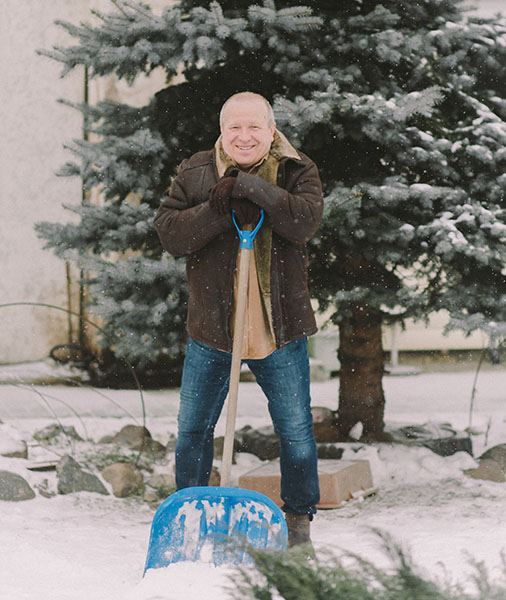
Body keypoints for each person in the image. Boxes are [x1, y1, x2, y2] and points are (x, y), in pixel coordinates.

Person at [154, 91, 323, 548]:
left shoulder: (296, 169)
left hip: (277, 327)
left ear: (271, 131)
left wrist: (250, 188)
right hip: (213, 328)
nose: (244, 137)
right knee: (192, 429)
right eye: (235, 127)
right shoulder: (195, 170)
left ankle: (299, 521)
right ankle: (189, 513)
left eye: (254, 128)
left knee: (295, 430)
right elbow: (170, 234)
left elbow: (303, 220)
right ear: (222, 131)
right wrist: (217, 207)